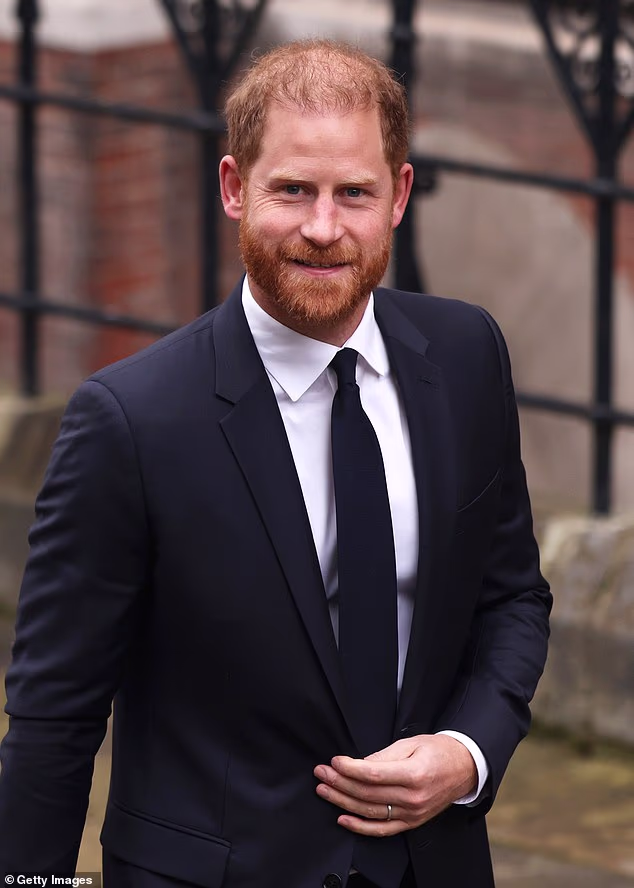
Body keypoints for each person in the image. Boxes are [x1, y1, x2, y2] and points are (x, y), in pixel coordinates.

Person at [0, 39, 551, 888]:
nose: (324, 229)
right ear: (233, 188)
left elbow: (512, 595)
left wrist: (467, 751)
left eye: (354, 193)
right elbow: (54, 721)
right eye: (292, 189)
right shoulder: (130, 422)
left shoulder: (467, 353)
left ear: (398, 195)